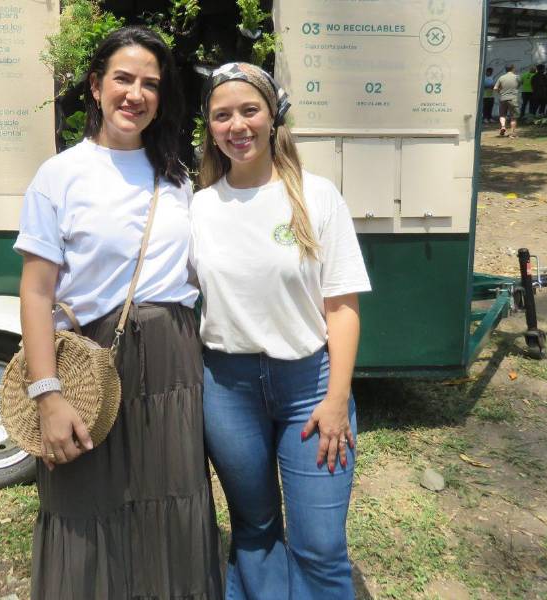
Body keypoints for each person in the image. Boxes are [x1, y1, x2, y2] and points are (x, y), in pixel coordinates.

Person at [13, 26, 222, 600]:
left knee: (171, 499)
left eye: (150, 84)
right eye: (123, 79)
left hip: (174, 362)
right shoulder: (60, 175)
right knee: (84, 504)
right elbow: (35, 294)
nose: (135, 94)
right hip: (88, 362)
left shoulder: (178, 176)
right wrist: (47, 395)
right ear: (95, 86)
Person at [190, 62, 371, 599]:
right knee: (255, 529)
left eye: (249, 110)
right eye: (222, 115)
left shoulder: (316, 197)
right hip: (227, 388)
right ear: (210, 128)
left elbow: (341, 306)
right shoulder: (197, 208)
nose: (237, 125)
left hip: (309, 387)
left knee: (318, 543)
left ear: (273, 116)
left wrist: (337, 398)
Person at [494, 64, 520, 137]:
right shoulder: (517, 77)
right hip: (513, 99)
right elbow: (519, 85)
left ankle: (503, 127)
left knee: (502, 115)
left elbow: (495, 88)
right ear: (513, 69)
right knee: (513, 117)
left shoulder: (501, 77)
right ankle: (512, 133)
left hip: (503, 98)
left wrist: (501, 92)